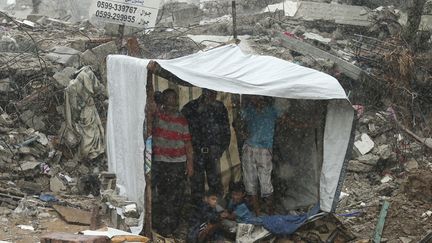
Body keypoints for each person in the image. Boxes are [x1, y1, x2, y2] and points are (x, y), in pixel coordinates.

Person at [151, 88, 194, 237]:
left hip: (177, 163)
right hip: (161, 161)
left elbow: (188, 144)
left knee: (176, 196)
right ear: (164, 101)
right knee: (162, 195)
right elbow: (149, 108)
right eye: (168, 100)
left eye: (174, 100)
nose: (171, 104)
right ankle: (164, 225)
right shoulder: (157, 115)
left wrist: (190, 164)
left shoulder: (181, 119)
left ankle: (172, 226)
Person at [181, 89, 231, 205]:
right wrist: (189, 152)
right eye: (210, 91)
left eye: (215, 92)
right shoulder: (190, 107)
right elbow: (182, 131)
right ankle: (199, 215)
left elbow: (226, 131)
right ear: (204, 91)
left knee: (215, 186)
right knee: (197, 186)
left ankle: (216, 214)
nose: (213, 94)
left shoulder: (219, 107)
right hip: (196, 154)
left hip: (213, 154)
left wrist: (219, 150)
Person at [240, 96, 282, 215]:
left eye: (257, 97)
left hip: (264, 149)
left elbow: (285, 121)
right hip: (249, 147)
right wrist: (242, 132)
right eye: (253, 97)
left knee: (265, 183)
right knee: (250, 181)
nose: (255, 99)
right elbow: (237, 123)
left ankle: (270, 213)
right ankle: (258, 213)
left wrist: (305, 125)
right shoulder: (248, 110)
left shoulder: (272, 110)